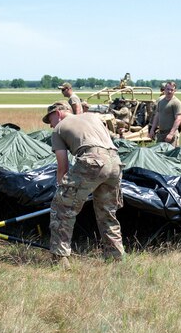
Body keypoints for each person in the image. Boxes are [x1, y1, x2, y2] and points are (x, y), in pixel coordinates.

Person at [43, 101, 124, 265]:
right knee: (107, 213)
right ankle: (116, 256)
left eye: (50, 119)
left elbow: (63, 166)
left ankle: (59, 259)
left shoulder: (59, 129)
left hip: (92, 161)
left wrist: (62, 191)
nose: (51, 125)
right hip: (116, 164)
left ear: (58, 113)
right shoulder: (93, 117)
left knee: (62, 209)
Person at [149, 81, 181, 146]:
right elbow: (157, 116)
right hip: (161, 133)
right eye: (168, 89)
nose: (169, 91)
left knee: (170, 154)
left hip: (170, 134)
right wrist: (152, 129)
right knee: (159, 154)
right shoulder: (161, 101)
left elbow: (178, 119)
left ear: (174, 91)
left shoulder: (176, 102)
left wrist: (171, 133)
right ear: (164, 89)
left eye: (171, 90)